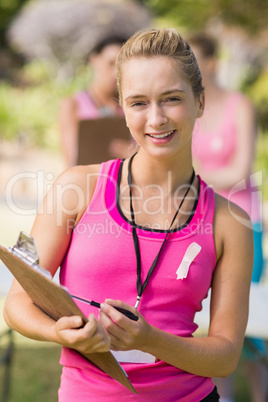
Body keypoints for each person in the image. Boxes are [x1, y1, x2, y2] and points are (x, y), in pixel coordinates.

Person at [4, 28, 254, 401]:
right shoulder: (78, 189)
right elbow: (18, 302)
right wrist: (59, 332)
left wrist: (152, 340)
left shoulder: (229, 222)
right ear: (122, 107)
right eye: (138, 103)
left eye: (171, 99)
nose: (156, 119)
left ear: (200, 102)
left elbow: (225, 356)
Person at [189, 32, 267, 402]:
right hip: (200, 223)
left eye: (192, 59)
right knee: (211, 327)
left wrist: (190, 175)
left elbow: (241, 169)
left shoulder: (241, 106)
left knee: (245, 326)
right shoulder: (188, 109)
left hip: (241, 224)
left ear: (213, 62)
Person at [59, 35, 132, 167]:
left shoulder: (132, 106)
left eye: (122, 67)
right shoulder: (72, 105)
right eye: (110, 64)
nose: (116, 72)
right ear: (94, 60)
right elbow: (72, 159)